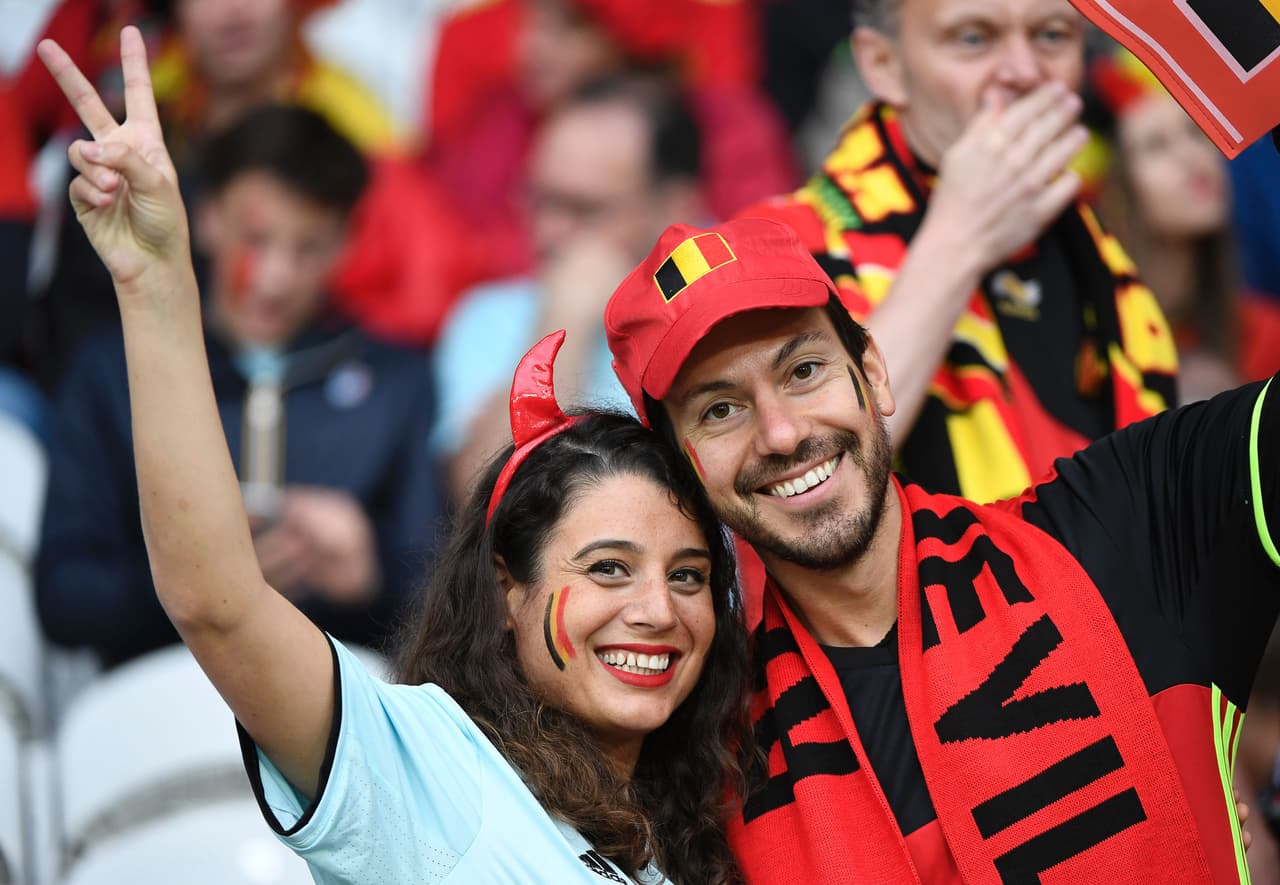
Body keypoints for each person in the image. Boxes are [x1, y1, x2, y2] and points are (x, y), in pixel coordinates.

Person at [37, 28, 751, 883]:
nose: (657, 609)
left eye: (688, 575)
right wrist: (155, 283)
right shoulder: (427, 775)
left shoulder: (707, 835)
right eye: (605, 568)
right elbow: (217, 600)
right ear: (508, 592)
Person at [605, 215, 1279, 883]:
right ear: (680, 476)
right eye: (719, 410)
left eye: (804, 369)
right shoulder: (700, 763)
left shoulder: (1126, 519)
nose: (780, 433)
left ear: (872, 372)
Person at [35, 102, 443, 667]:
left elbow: (444, 606)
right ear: (207, 217)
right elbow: (62, 599)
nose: (276, 277)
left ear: (347, 243)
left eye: (309, 247)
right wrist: (196, 585)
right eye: (257, 239)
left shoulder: (399, 382)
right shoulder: (114, 369)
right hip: (150, 702)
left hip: (343, 695)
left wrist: (369, 575)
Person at [741, 0, 1178, 503]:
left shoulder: (1098, 231)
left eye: (1053, 35)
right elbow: (811, 463)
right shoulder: (783, 247)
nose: (1024, 71)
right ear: (884, 65)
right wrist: (960, 237)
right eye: (974, 38)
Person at [432, 74, 704, 500]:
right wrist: (561, 326)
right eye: (539, 199)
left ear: (673, 204)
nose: (548, 232)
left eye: (583, 209)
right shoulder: (489, 316)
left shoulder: (723, 305)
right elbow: (481, 500)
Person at [1091, 48, 1280, 403]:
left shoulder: (1266, 334)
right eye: (1156, 146)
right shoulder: (1092, 342)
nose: (1191, 157)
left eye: (1195, 133)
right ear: (1113, 192)